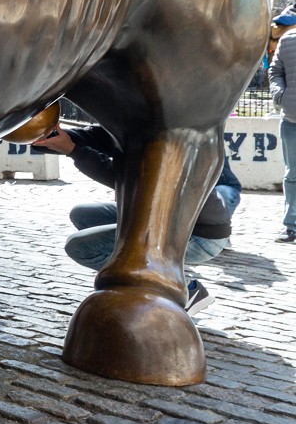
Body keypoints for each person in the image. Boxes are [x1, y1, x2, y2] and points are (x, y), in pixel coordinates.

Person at [34, 123, 239, 313]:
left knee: (79, 247)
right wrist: (50, 137)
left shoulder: (165, 132)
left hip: (197, 233)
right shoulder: (135, 120)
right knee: (83, 214)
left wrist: (72, 150)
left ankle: (180, 290)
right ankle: (147, 274)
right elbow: (97, 136)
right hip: (159, 216)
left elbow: (127, 180)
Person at [268, 16, 296, 244]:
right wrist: (281, 96)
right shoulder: (288, 39)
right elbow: (275, 71)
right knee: (292, 175)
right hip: (291, 119)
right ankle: (291, 226)